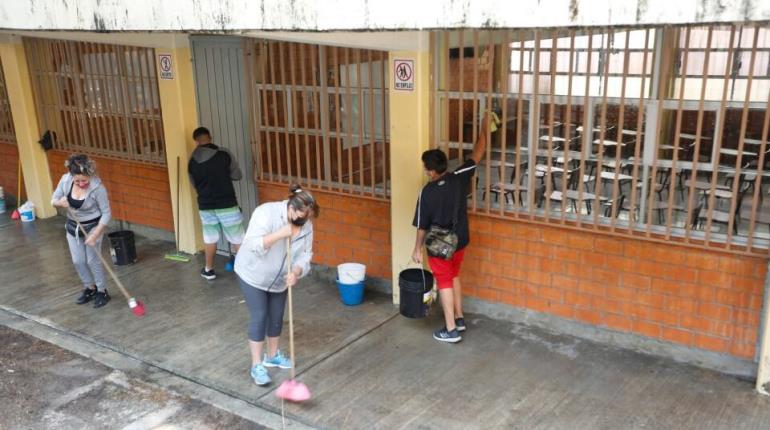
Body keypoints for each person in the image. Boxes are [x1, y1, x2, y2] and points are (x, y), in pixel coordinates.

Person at [411, 111, 495, 343]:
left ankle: (450, 330)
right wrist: (484, 126)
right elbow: (478, 152)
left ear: (430, 170)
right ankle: (459, 318)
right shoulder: (459, 176)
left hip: (440, 245)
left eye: (425, 168)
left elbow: (421, 226)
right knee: (454, 275)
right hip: (460, 239)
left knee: (445, 282)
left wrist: (417, 249)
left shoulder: (426, 192)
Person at [234, 184, 319, 386]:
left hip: (280, 278)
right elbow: (252, 245)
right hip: (252, 273)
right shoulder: (266, 213)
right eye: (301, 215)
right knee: (260, 315)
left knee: (277, 316)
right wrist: (281, 233)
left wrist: (296, 272)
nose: (304, 221)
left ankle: (272, 356)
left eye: (308, 217)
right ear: (291, 207)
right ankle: (257, 365)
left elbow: (305, 254)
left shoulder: (306, 224)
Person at [51, 154, 113, 308]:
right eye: (77, 180)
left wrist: (95, 234)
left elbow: (106, 213)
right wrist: (60, 202)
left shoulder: (98, 188)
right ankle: (89, 288)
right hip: (73, 226)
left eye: (84, 180)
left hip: (93, 226)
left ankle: (102, 290)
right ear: (71, 176)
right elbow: (53, 199)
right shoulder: (65, 180)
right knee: (78, 260)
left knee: (93, 260)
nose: (80, 183)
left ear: (90, 175)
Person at [188, 126, 245, 280]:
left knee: (210, 238)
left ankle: (208, 270)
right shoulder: (224, 154)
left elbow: (194, 184)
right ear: (210, 137)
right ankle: (246, 273)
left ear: (196, 141)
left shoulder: (192, 160)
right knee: (237, 238)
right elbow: (237, 175)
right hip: (226, 204)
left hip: (206, 206)